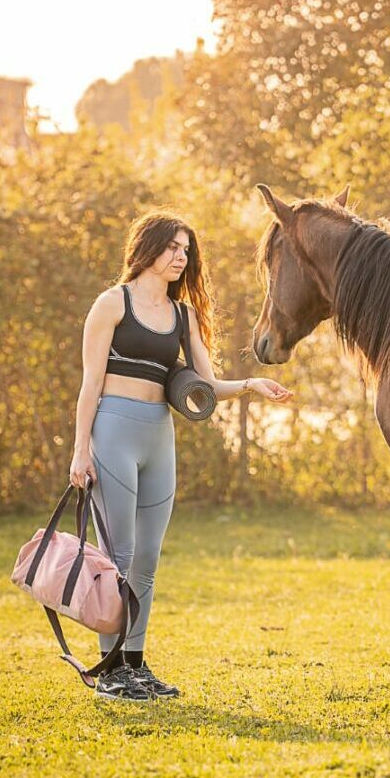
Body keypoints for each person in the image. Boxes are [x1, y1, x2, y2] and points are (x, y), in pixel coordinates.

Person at [69, 210, 293, 702]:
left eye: (186, 250)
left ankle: (136, 663)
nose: (181, 256)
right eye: (173, 246)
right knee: (118, 556)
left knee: (146, 559)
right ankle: (110, 672)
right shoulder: (112, 304)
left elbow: (207, 383)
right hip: (113, 431)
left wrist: (251, 384)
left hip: (158, 435)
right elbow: (89, 384)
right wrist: (80, 450)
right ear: (147, 248)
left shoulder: (183, 314)